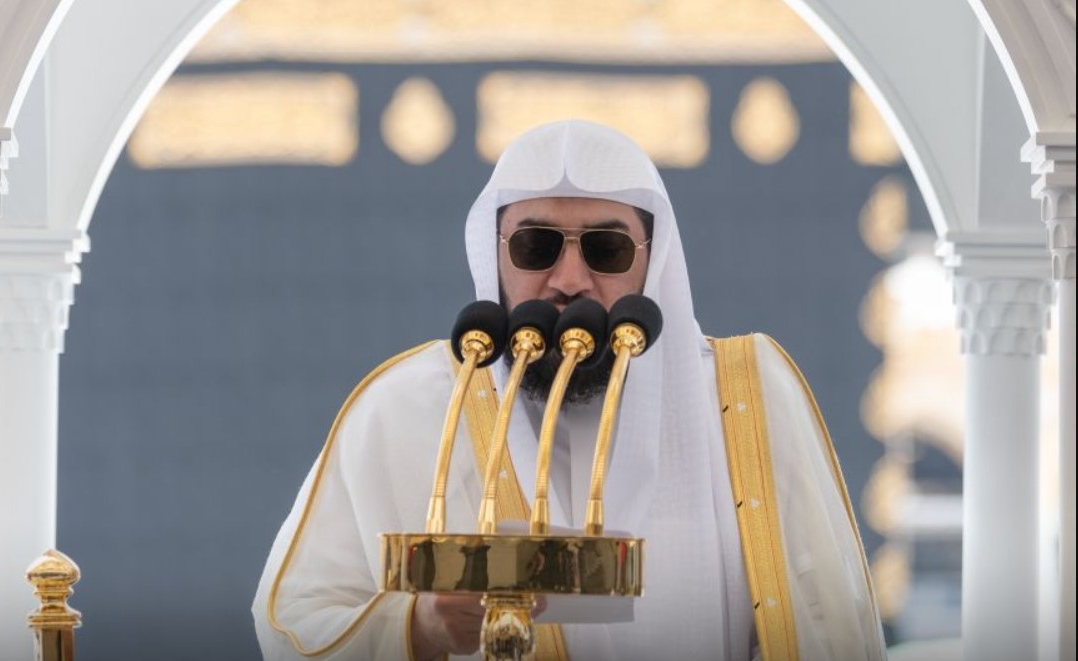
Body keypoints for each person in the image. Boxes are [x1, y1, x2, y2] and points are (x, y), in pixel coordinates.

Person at [252, 120, 886, 660]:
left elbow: (832, 623)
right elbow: (291, 625)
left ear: (653, 260)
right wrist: (416, 628)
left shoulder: (747, 395)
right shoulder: (404, 408)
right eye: (536, 246)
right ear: (495, 254)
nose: (570, 279)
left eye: (607, 249)